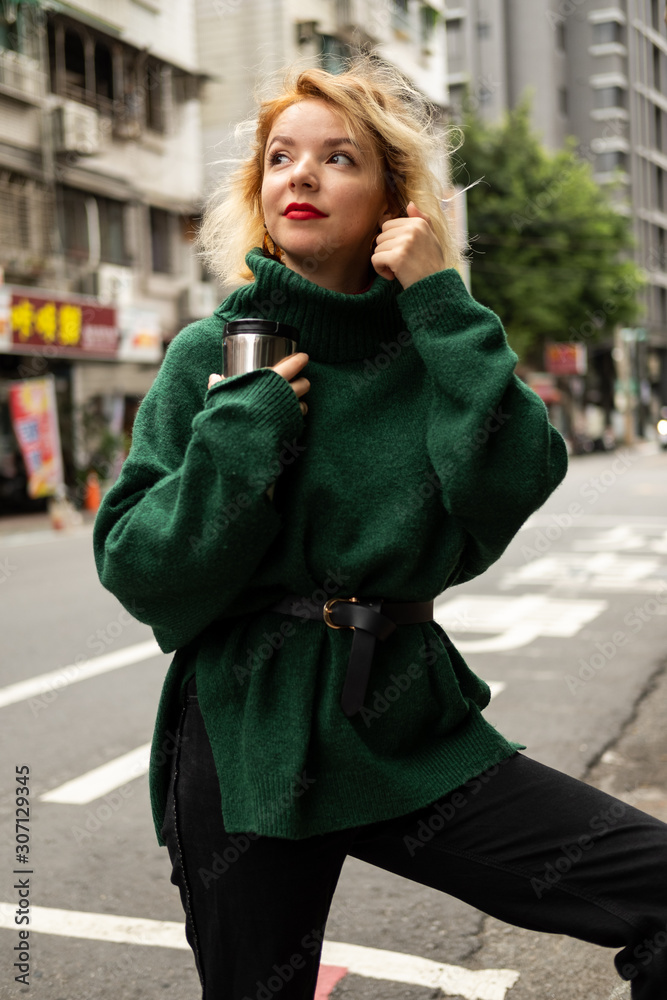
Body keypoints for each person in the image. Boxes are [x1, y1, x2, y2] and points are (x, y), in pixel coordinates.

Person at [93, 55, 667, 1000]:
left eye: (338, 158)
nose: (300, 176)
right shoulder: (211, 354)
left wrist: (442, 300)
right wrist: (244, 426)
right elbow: (143, 567)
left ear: (397, 201)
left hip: (402, 720)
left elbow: (514, 478)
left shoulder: (435, 339)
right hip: (246, 737)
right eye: (280, 158)